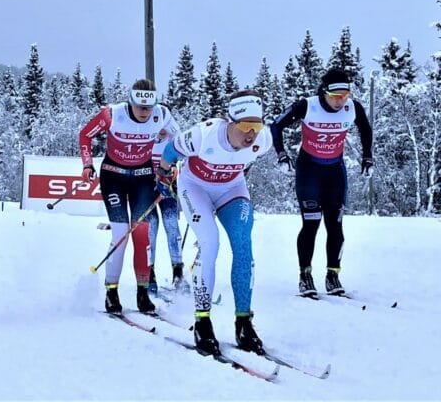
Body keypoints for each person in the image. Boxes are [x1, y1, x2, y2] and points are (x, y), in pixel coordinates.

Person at [158, 90, 272, 356]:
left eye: (256, 126)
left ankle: (244, 322)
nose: (251, 133)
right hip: (195, 188)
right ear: (229, 121)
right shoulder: (204, 134)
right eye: (245, 126)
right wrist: (163, 173)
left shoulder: (262, 140)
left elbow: (244, 161)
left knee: (243, 244)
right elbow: (170, 149)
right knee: (210, 243)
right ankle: (202, 321)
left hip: (231, 190)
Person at [79, 79, 179, 315]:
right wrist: (87, 165)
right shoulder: (111, 114)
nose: (145, 112)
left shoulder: (161, 114)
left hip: (143, 177)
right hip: (113, 176)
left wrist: (171, 164)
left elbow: (178, 142)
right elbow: (85, 135)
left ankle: (142, 292)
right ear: (130, 102)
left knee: (142, 234)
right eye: (140, 107)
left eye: (149, 107)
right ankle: (111, 291)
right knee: (121, 233)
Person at [270, 68, 373, 298]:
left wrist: (367, 155)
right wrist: (281, 154)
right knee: (311, 224)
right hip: (309, 171)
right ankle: (305, 276)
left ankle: (332, 274)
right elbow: (276, 125)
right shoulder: (308, 105)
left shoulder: (352, 107)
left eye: (344, 95)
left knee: (335, 225)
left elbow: (365, 128)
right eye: (335, 95)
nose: (340, 101)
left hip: (335, 171)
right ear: (324, 92)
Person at [148, 135, 188, 295]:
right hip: (146, 189)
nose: (162, 131)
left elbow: (182, 162)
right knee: (150, 229)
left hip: (167, 187)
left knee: (172, 225)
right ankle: (149, 274)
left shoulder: (174, 137)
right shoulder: (145, 135)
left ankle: (178, 273)